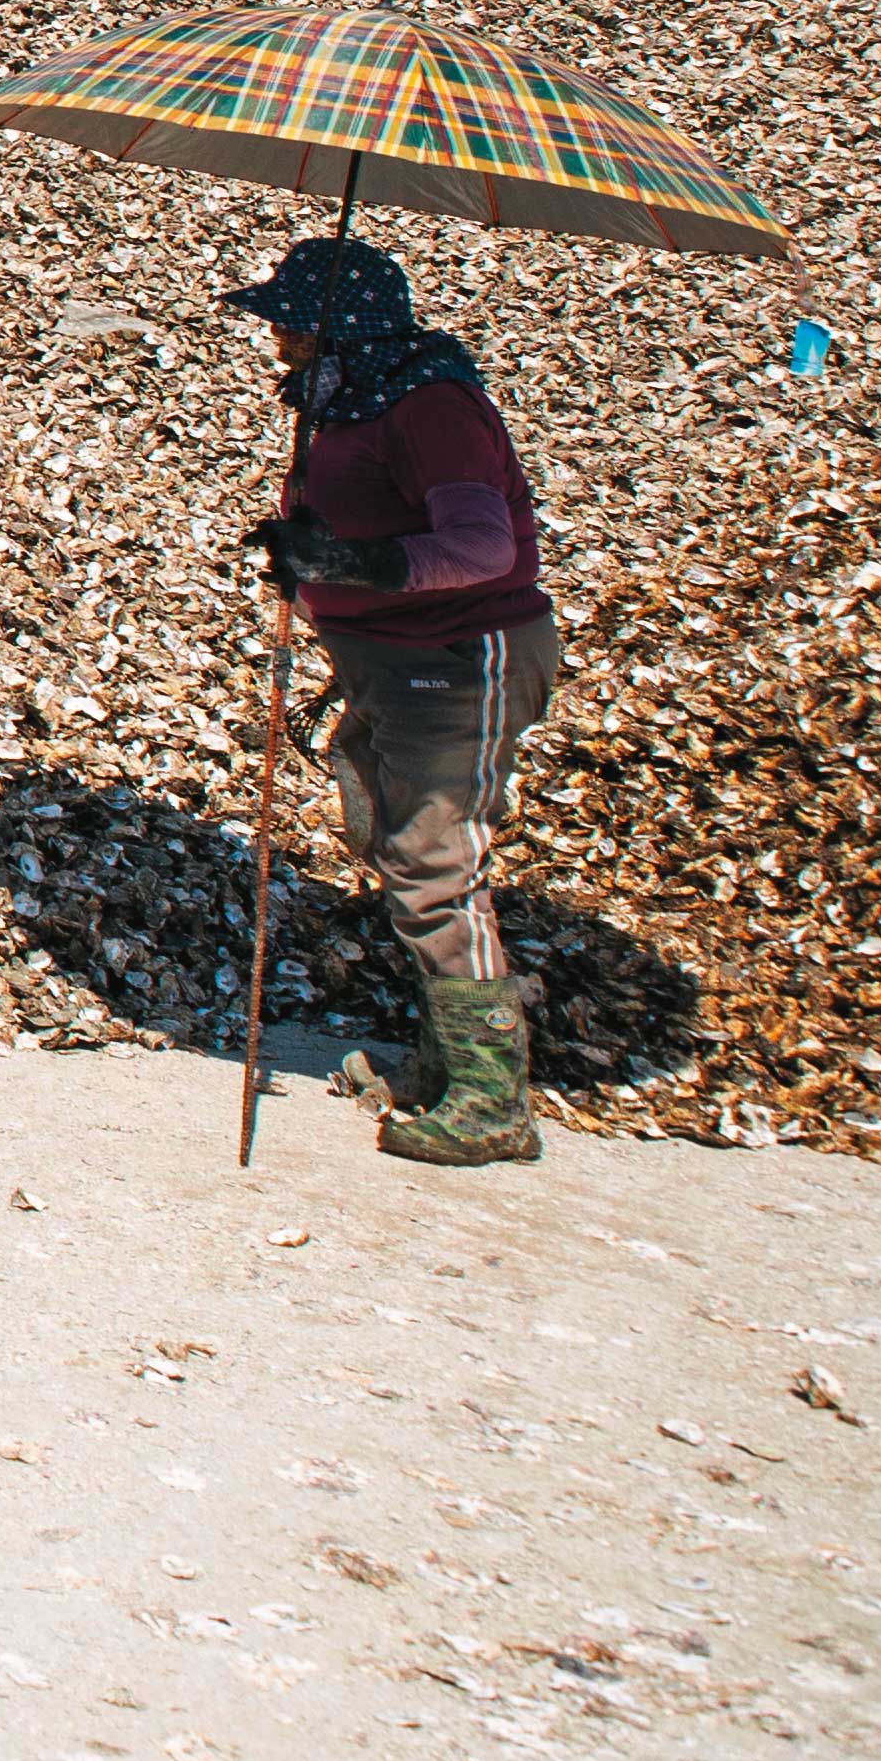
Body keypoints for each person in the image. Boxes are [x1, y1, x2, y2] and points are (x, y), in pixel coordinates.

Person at [228, 230, 565, 1167]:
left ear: (346, 329)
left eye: (296, 324)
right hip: (390, 660)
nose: (280, 340)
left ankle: (493, 1100)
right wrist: (304, 559)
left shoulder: (431, 408)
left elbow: (483, 547)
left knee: (432, 858)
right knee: (391, 841)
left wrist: (351, 563)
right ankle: (445, 1063)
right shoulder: (351, 400)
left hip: (460, 660)